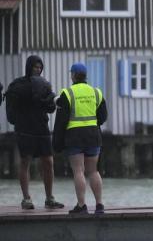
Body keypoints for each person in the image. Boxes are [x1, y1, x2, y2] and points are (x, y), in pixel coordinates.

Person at [6, 55, 63, 210]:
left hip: (42, 128)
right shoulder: (18, 85)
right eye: (35, 67)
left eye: (40, 67)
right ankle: (26, 199)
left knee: (49, 162)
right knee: (25, 162)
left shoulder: (44, 85)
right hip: (24, 130)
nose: (38, 70)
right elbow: (12, 111)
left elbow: (50, 108)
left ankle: (49, 198)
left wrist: (50, 100)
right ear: (28, 67)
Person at [52, 63, 108, 215]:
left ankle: (82, 205)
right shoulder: (97, 92)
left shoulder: (67, 94)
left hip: (75, 136)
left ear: (73, 75)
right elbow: (103, 117)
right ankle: (99, 205)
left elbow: (61, 122)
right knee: (93, 171)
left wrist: (57, 142)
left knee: (78, 171)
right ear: (85, 75)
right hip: (93, 135)